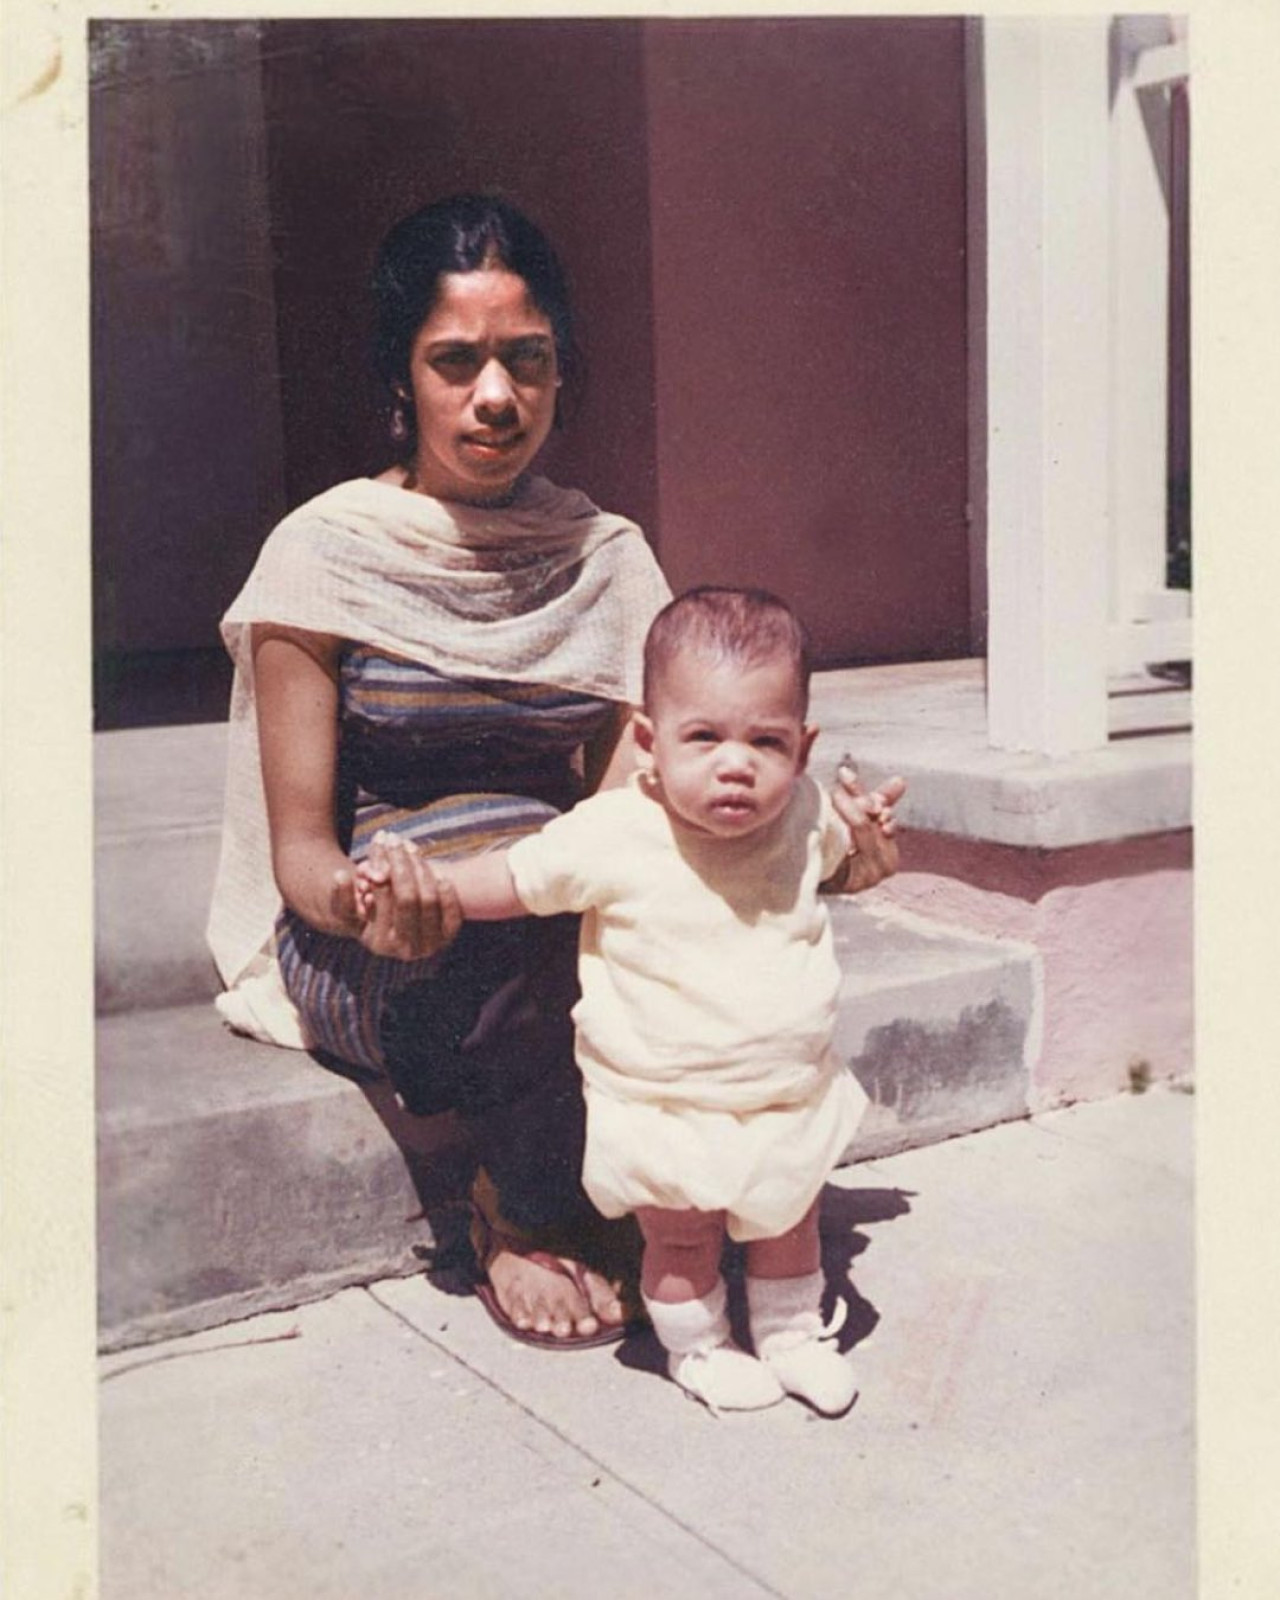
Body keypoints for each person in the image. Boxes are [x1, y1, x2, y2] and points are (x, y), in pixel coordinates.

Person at [359, 587, 906, 1414]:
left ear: (804, 749)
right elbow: (514, 878)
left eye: (767, 740)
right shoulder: (616, 831)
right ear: (649, 743)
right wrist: (428, 886)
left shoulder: (802, 813)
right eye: (705, 737)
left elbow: (843, 860)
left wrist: (864, 835)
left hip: (785, 1087)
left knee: (789, 1223)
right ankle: (700, 1349)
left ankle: (792, 1337)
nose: (736, 763)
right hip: (662, 1098)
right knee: (681, 1239)